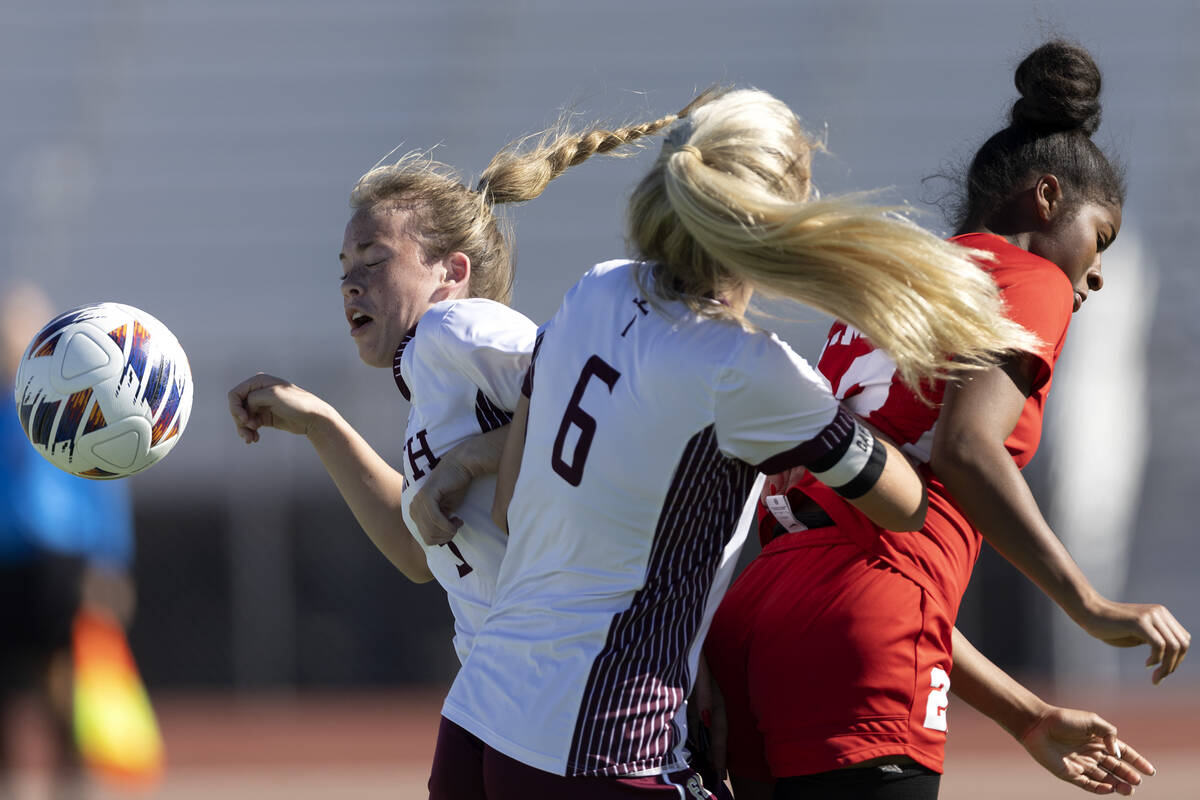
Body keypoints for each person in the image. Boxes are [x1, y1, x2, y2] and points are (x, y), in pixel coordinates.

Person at [428, 86, 1040, 799]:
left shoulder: (595, 288)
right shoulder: (745, 368)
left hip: (480, 718)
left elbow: (512, 505)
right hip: (604, 742)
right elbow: (905, 506)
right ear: (780, 216)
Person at [704, 40, 1189, 799]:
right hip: (865, 624)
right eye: (1101, 239)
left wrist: (1024, 715)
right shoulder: (1029, 275)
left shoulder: (893, 289)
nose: (1096, 271)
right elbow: (965, 451)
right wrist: (1087, 603)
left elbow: (868, 555)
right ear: (1049, 198)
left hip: (754, 618)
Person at [227, 106, 699, 665]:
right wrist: (321, 425)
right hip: (499, 674)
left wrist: (469, 459)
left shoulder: (456, 326)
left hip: (567, 667)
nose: (350, 285)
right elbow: (414, 552)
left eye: (374, 261)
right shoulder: (436, 376)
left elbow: (608, 416)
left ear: (451, 274)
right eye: (344, 268)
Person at [1, 282, 137, 800]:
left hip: (59, 563)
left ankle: (73, 788)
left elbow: (103, 488)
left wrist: (110, 562)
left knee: (68, 690)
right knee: (8, 695)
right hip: (5, 563)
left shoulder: (70, 411)